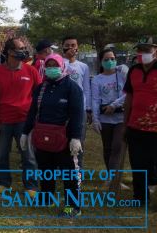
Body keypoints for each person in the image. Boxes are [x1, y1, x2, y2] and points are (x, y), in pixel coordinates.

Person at [21, 53, 84, 218]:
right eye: (48, 66)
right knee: (45, 170)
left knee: (69, 174)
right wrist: (25, 132)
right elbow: (33, 111)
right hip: (43, 137)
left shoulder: (72, 88)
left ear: (62, 66)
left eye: (54, 65)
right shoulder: (41, 88)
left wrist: (76, 137)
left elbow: (78, 114)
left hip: (65, 139)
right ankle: (46, 198)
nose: (51, 69)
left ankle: (73, 207)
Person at [0, 37, 40, 196]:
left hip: (25, 121)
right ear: (9, 51)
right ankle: (4, 184)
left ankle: (31, 186)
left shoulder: (31, 71)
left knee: (28, 155)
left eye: (24, 48)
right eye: (20, 48)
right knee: (2, 154)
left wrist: (36, 117)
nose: (24, 51)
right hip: (4, 120)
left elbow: (38, 95)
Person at [123, 37, 157, 204]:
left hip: (155, 128)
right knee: (137, 164)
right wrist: (125, 124)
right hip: (134, 126)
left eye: (147, 50)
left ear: (155, 51)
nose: (143, 54)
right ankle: (140, 197)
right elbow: (129, 97)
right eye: (140, 50)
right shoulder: (133, 70)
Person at [91, 48, 128, 178]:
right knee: (107, 148)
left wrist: (114, 104)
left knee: (117, 146)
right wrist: (95, 119)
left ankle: (114, 179)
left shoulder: (122, 74)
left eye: (112, 59)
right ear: (101, 62)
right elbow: (95, 100)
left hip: (121, 117)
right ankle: (110, 176)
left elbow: (129, 92)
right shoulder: (97, 79)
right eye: (106, 59)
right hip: (105, 118)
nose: (110, 61)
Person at [62, 36, 91, 167]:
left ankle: (78, 168)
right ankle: (62, 168)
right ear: (63, 47)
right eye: (67, 45)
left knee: (79, 140)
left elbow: (86, 89)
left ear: (77, 47)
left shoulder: (83, 66)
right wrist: (66, 60)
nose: (71, 48)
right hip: (62, 108)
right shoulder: (59, 64)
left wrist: (88, 108)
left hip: (79, 109)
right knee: (62, 138)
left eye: (73, 45)